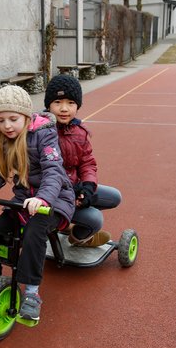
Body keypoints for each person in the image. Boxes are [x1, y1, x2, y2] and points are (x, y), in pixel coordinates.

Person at [0, 85, 75, 320]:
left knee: (33, 232)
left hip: (56, 199)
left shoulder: (44, 134)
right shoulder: (2, 139)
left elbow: (54, 172)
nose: (7, 125)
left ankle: (32, 292)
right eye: (1, 120)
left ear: (26, 116)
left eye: (13, 119)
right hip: (23, 201)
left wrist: (42, 198)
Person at [44, 74, 122, 246]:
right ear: (48, 105)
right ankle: (79, 238)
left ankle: (71, 229)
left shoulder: (79, 131)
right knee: (95, 219)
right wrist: (70, 192)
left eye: (71, 103)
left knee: (115, 197)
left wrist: (86, 187)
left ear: (77, 106)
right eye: (58, 102)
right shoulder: (42, 132)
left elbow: (87, 163)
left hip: (75, 187)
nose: (64, 109)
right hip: (54, 194)